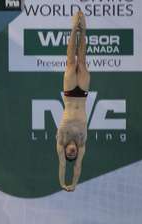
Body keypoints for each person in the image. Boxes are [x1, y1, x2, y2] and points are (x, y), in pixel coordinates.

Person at [56, 11, 90, 192]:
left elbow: (63, 166)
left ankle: (72, 29)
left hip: (70, 96)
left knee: (70, 62)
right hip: (82, 94)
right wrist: (74, 183)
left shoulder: (61, 141)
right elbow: (77, 168)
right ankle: (82, 30)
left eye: (69, 154)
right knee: (82, 62)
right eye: (73, 154)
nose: (72, 152)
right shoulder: (82, 144)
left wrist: (63, 183)